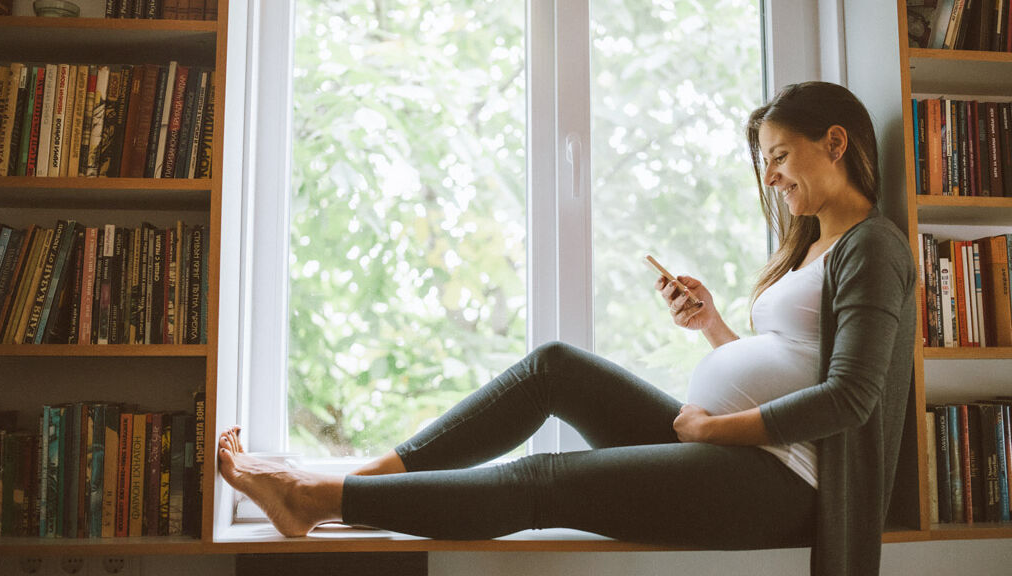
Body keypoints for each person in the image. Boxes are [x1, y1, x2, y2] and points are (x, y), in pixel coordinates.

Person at [218, 81, 917, 576]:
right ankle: (367, 481)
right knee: (554, 365)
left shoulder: (874, 245)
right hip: (733, 456)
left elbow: (849, 397)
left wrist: (713, 429)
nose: (771, 179)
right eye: (765, 164)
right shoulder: (814, 246)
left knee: (543, 480)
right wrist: (714, 328)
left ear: (834, 143)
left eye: (778, 158)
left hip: (782, 485)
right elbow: (797, 358)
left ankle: (312, 496)